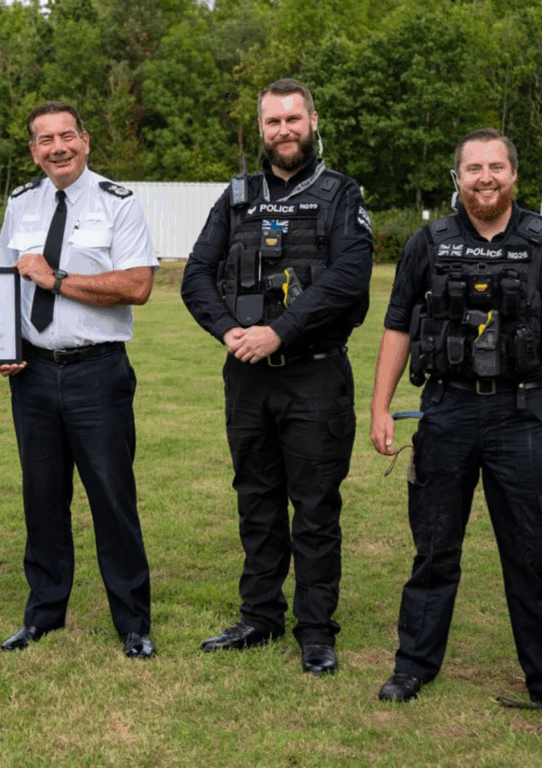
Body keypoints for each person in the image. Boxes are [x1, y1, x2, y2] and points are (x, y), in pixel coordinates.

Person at [369, 128, 542, 721]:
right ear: (458, 178)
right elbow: (397, 325)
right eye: (473, 168)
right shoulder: (431, 242)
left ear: (514, 175)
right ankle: (414, 665)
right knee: (434, 547)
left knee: (530, 552)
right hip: (446, 410)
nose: (485, 177)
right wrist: (379, 408)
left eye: (495, 166)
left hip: (521, 415)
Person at [181, 78, 372, 676]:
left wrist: (279, 331)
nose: (283, 131)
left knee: (315, 508)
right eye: (272, 122)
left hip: (314, 375)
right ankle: (259, 616)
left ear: (314, 121)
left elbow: (348, 277)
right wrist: (228, 331)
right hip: (247, 378)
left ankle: (316, 631)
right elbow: (195, 275)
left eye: (294, 119)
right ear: (261, 129)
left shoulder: (341, 194)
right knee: (256, 500)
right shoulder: (237, 196)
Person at [0, 102, 157, 659]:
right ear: (33, 150)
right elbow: (2, 283)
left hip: (97, 373)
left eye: (66, 136)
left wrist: (57, 278)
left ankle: (133, 623)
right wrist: (2, 346)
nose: (57, 147)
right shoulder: (20, 203)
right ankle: (43, 614)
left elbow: (137, 285)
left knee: (112, 498)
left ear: (85, 141)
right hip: (33, 374)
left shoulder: (119, 202)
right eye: (44, 140)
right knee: (42, 498)